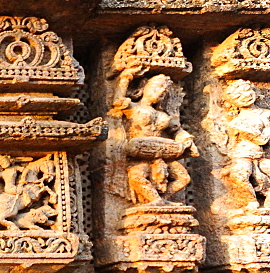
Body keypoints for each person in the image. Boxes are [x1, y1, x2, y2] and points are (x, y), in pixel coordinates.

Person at [111, 68, 197, 205]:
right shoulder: (134, 108)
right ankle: (155, 200)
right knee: (136, 176)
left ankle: (162, 200)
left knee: (184, 178)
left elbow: (177, 131)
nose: (160, 92)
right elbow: (118, 101)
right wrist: (126, 78)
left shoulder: (164, 116)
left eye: (164, 92)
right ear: (144, 87)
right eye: (156, 88)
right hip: (141, 152)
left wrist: (187, 141)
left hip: (162, 153)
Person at [217, 79, 270, 210]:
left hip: (261, 154)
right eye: (238, 96)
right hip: (243, 154)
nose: (245, 96)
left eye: (247, 91)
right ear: (232, 102)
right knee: (239, 175)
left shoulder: (266, 114)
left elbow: (262, 140)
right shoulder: (236, 121)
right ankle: (250, 201)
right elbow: (232, 143)